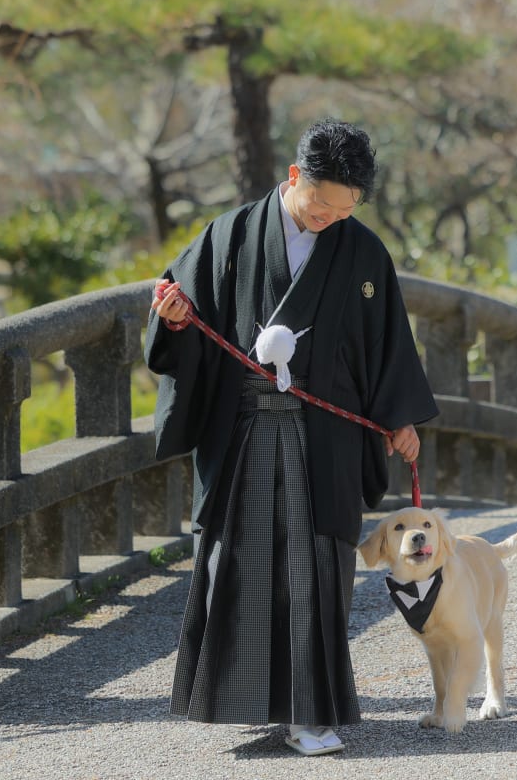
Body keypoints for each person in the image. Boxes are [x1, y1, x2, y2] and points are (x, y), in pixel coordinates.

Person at [145, 118, 438, 757]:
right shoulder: (228, 237)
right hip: (244, 431)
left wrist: (400, 417)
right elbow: (182, 318)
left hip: (323, 434)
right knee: (244, 564)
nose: (332, 217)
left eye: (346, 208)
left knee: (314, 573)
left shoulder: (363, 252)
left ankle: (311, 715)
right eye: (322, 203)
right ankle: (241, 701)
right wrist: (171, 323)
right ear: (293, 176)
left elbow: (387, 345)